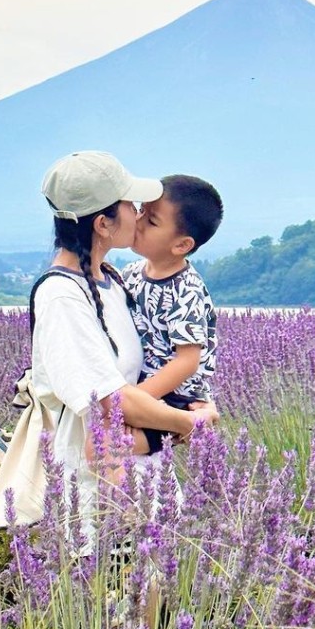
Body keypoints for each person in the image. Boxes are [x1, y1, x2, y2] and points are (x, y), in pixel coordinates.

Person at [0, 151, 217, 540]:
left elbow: (169, 363)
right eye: (130, 204)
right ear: (104, 223)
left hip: (151, 494)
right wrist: (191, 424)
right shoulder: (63, 296)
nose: (138, 213)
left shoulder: (112, 280)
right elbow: (109, 401)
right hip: (95, 514)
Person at [119, 175, 223, 456]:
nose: (138, 222)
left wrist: (138, 399)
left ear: (181, 245)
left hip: (176, 397)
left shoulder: (185, 289)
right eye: (141, 211)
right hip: (143, 391)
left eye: (152, 222)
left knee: (104, 448)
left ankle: (191, 427)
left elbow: (187, 361)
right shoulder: (130, 273)